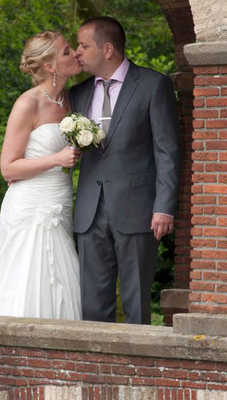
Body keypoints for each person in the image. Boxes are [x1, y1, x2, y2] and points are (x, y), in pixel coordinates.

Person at [70, 17, 180, 324]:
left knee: (136, 300)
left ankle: (139, 370)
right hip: (90, 211)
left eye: (83, 45)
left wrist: (164, 207)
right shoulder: (77, 93)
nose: (78, 52)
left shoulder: (152, 85)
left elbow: (167, 150)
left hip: (139, 210)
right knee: (91, 302)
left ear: (107, 49)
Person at [0, 31, 82, 320]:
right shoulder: (28, 103)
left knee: (62, 282)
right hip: (31, 207)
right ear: (49, 66)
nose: (74, 53)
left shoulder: (72, 100)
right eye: (66, 51)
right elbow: (8, 167)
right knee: (28, 280)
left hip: (60, 202)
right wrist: (57, 159)